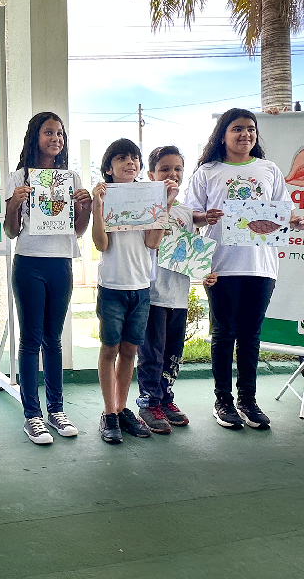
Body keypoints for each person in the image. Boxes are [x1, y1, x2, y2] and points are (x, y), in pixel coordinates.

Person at [185, 108, 304, 430]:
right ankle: (222, 401)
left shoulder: (269, 169)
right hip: (220, 265)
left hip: (261, 265)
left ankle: (248, 401)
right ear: (222, 134)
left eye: (251, 129)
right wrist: (203, 217)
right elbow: (189, 216)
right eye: (237, 128)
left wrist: (294, 218)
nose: (246, 134)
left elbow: (284, 210)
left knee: (251, 336)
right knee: (224, 334)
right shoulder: (207, 171)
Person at [3, 112, 91, 445]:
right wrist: (15, 204)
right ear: (34, 137)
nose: (56, 138)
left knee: (53, 340)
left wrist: (87, 208)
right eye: (49, 132)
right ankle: (33, 416)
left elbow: (78, 230)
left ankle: (56, 410)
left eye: (60, 134)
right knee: (31, 339)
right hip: (29, 263)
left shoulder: (72, 178)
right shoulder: (19, 177)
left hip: (61, 264)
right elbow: (11, 231)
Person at [136, 146, 217, 434]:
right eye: (165, 169)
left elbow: (190, 252)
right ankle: (148, 402)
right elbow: (147, 243)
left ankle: (166, 399)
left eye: (178, 169)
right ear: (151, 174)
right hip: (153, 294)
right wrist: (165, 204)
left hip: (179, 296)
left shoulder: (185, 212)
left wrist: (204, 273)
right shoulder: (146, 206)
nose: (172, 174)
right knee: (152, 353)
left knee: (173, 352)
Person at [91, 139, 166, 444]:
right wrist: (97, 207)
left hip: (141, 287)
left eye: (134, 158)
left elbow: (152, 242)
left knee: (130, 351)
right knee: (110, 350)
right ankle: (109, 413)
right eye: (122, 158)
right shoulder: (105, 196)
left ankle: (122, 410)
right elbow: (101, 244)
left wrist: (167, 203)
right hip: (112, 287)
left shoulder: (148, 195)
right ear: (109, 167)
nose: (130, 163)